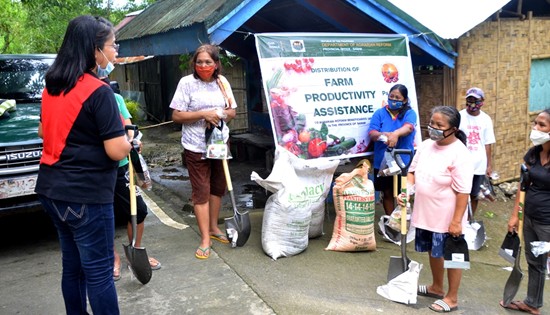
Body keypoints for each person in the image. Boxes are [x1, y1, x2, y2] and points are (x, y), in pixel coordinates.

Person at [35, 15, 131, 314]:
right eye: (112, 46)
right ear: (94, 50)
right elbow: (116, 151)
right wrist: (130, 139)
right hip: (85, 196)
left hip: (51, 189)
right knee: (99, 272)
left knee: (73, 267)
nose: (114, 52)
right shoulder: (99, 91)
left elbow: (43, 131)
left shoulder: (53, 85)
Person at [398, 106, 474, 313]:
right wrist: (407, 190)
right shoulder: (425, 146)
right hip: (425, 213)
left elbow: (463, 192)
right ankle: (437, 287)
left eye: (439, 125)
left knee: (451, 255)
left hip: (447, 217)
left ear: (454, 129)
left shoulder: (460, 154)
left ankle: (452, 298)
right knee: (433, 250)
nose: (434, 128)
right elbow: (411, 172)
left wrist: (457, 221)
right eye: (432, 123)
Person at [169, 44, 237, 259]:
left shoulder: (222, 82)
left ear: (216, 64)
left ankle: (214, 229)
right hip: (195, 145)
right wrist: (203, 114)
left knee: (217, 188)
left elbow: (232, 111)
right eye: (199, 62)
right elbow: (177, 116)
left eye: (208, 62)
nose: (203, 66)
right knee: (201, 191)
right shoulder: (186, 83)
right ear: (194, 64)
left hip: (218, 142)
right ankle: (205, 239)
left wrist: (217, 115)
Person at [104, 80, 162, 280]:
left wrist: (133, 140)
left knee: (139, 210)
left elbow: (129, 127)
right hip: (98, 169)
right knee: (105, 215)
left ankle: (135, 251)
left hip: (121, 166)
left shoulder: (115, 98)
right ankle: (112, 258)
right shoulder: (84, 99)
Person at [500, 108, 550, 315]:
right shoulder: (532, 154)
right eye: (535, 124)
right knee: (535, 262)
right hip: (529, 218)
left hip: (548, 224)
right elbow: (523, 187)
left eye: (542, 125)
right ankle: (532, 303)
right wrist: (515, 216)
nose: (535, 129)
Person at [368, 84, 416, 216]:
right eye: (391, 97)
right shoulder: (380, 113)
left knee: (403, 193)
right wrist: (385, 135)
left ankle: (402, 223)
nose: (394, 100)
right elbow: (372, 133)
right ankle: (391, 222)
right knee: (387, 192)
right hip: (383, 161)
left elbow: (409, 128)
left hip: (404, 161)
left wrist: (395, 134)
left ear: (405, 100)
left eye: (398, 98)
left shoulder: (409, 113)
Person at [458, 87, 496, 215]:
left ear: (482, 101)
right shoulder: (459, 116)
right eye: (469, 100)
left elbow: (487, 143)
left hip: (479, 164)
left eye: (475, 100)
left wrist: (488, 165)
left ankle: (470, 219)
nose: (472, 103)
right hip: (461, 163)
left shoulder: (486, 119)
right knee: (460, 192)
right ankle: (459, 218)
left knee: (474, 194)